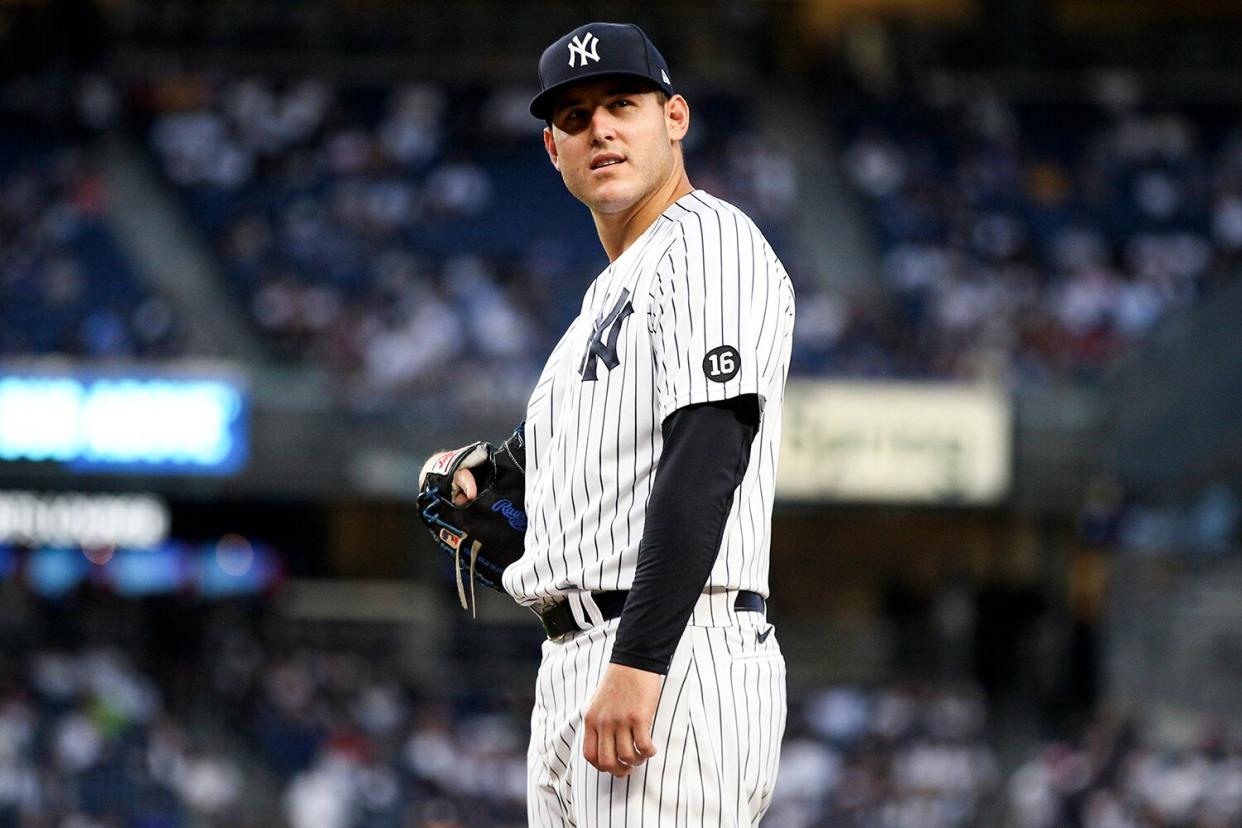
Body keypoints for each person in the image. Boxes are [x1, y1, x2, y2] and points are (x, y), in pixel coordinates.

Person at [436, 22, 795, 825]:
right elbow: (586, 486)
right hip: (574, 654)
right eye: (573, 117)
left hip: (670, 647)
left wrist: (640, 660)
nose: (598, 128)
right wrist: (492, 488)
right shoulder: (599, 305)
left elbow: (709, 452)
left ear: (675, 118)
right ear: (551, 150)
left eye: (621, 104)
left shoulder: (711, 243)